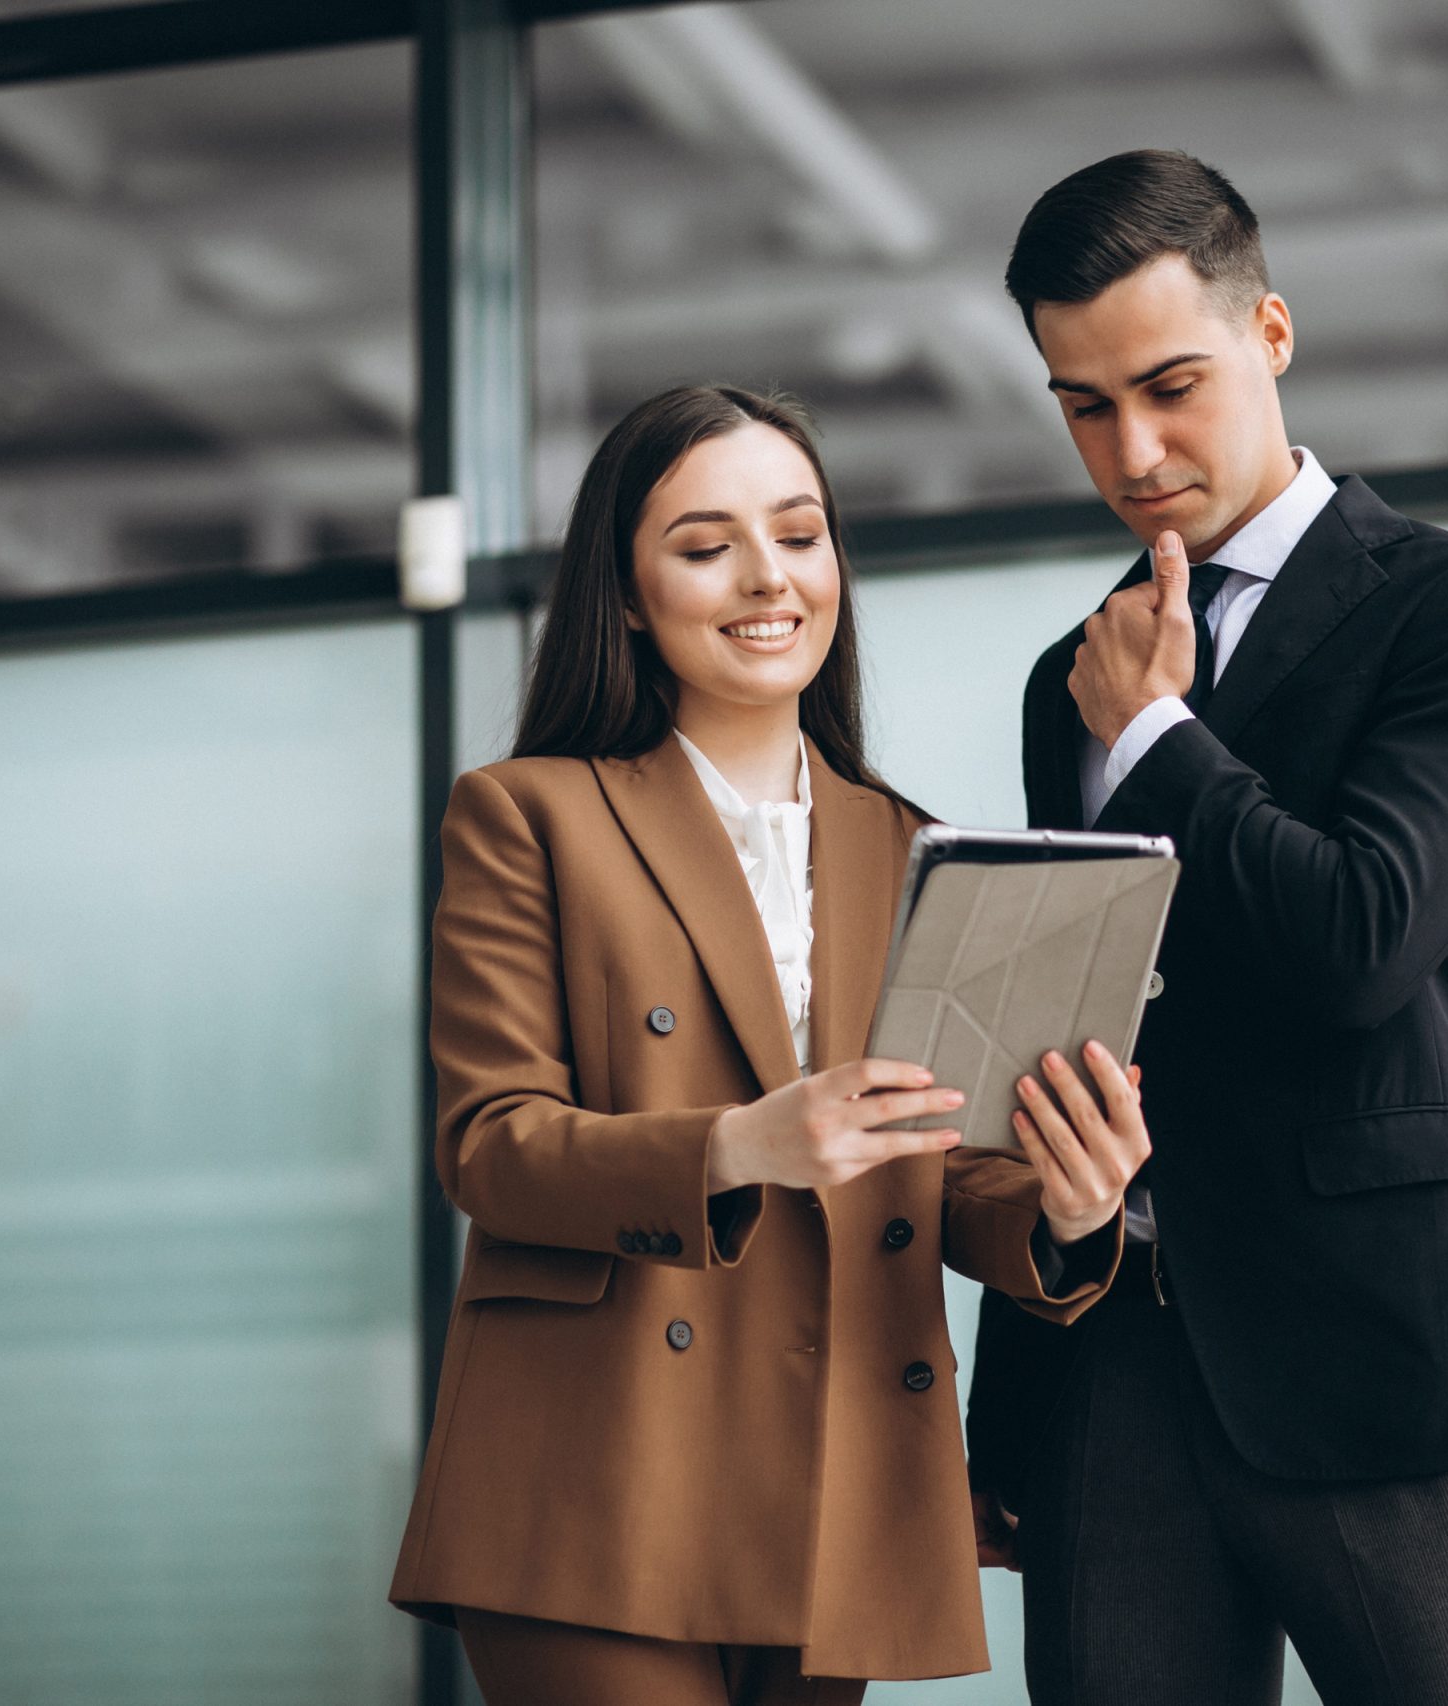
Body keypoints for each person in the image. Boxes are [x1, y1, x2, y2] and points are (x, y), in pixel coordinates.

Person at [386, 384, 1149, 1705]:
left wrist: (1074, 1209)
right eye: (704, 545)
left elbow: (937, 1155)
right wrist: (748, 1143)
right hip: (602, 1465)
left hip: (833, 1467)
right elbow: (491, 1147)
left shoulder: (905, 841)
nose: (767, 578)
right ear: (625, 594)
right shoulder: (528, 816)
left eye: (799, 535)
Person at [963, 150, 1448, 1706]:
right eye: (1084, 403)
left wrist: (1162, 730)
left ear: (1275, 334)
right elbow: (1079, 1024)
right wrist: (1010, 1410)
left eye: (1171, 383)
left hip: (1381, 1350)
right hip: (1117, 1375)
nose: (1135, 445)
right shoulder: (1075, 675)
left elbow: (1363, 938)